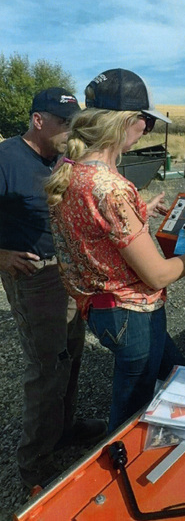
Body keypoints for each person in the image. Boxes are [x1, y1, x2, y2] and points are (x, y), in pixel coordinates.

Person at [45, 69, 185, 433]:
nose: (147, 129)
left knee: (181, 373)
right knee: (130, 417)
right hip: (132, 317)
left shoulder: (73, 170)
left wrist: (139, 209)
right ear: (127, 121)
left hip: (102, 311)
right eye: (146, 121)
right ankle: (114, 474)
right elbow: (158, 274)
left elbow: (95, 225)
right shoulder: (111, 190)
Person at [0, 87, 107, 489]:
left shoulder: (61, 159)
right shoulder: (6, 159)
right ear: (39, 121)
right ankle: (34, 462)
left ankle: (63, 429)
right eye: (64, 123)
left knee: (72, 353)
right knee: (47, 367)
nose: (70, 130)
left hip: (67, 274)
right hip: (33, 278)